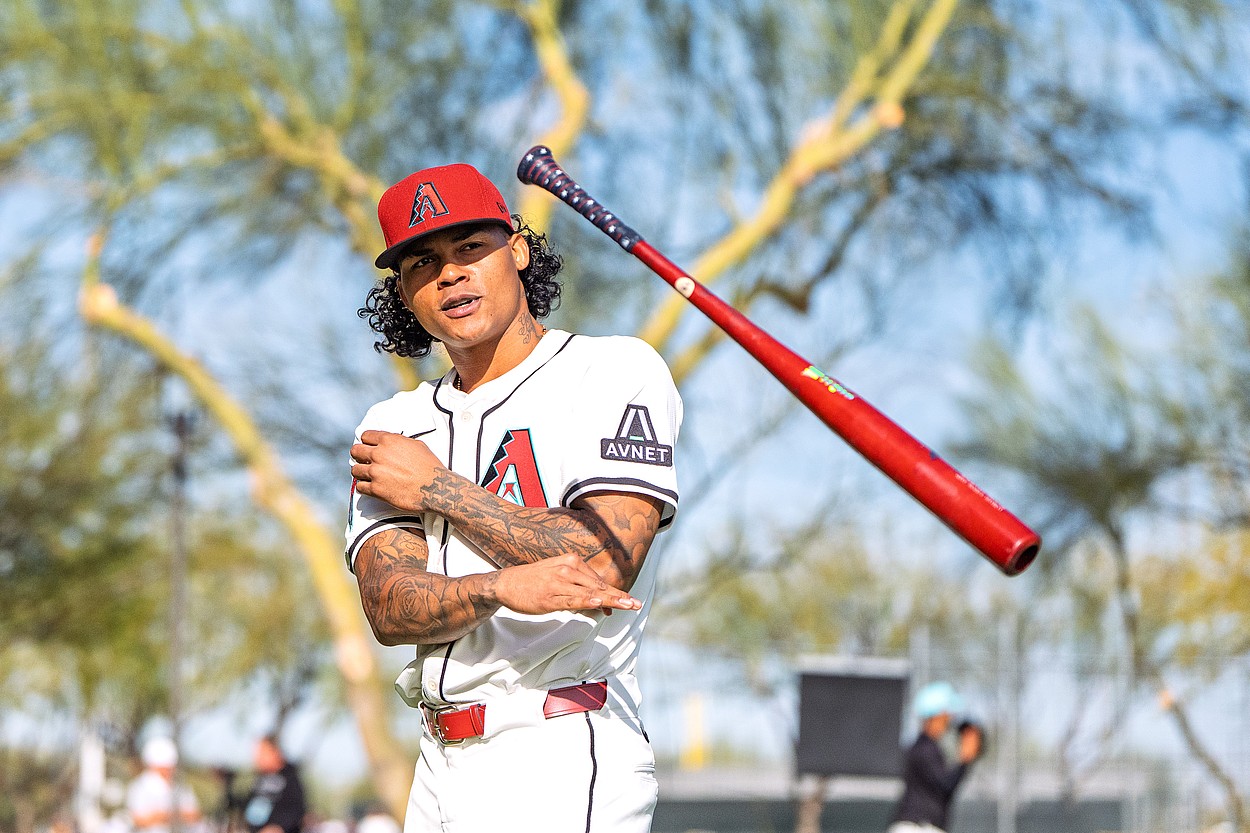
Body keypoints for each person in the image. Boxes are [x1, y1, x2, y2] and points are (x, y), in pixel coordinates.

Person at [346, 161, 682, 832]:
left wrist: (435, 488)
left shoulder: (611, 370)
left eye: (471, 247)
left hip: (561, 739)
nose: (450, 273)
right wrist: (498, 586)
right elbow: (390, 607)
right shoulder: (394, 424)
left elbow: (603, 562)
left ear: (518, 249)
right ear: (404, 293)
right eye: (422, 262)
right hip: (437, 765)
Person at [889, 681, 984, 833]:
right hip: (918, 828)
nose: (950, 718)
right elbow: (945, 785)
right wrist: (964, 759)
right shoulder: (925, 749)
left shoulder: (924, 747)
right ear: (938, 715)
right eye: (947, 713)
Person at [126, 737, 203, 833]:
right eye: (164, 767)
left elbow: (194, 814)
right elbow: (138, 819)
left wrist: (167, 815)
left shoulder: (180, 786)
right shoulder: (139, 787)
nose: (169, 770)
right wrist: (169, 815)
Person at [241, 735, 307, 833]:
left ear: (275, 752)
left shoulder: (290, 778)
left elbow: (296, 809)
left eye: (262, 753)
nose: (257, 758)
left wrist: (279, 827)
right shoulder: (260, 779)